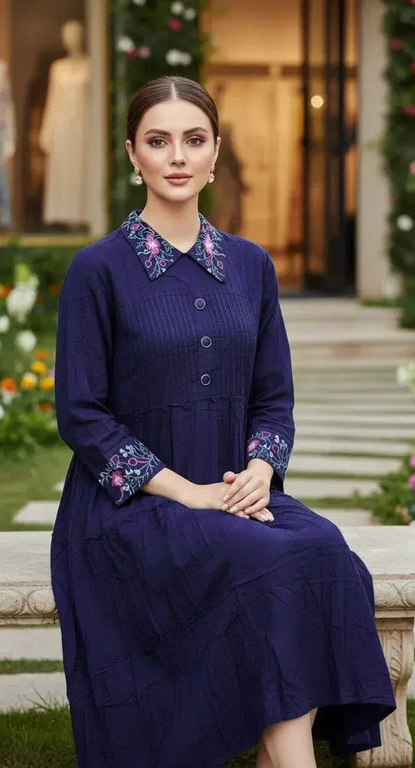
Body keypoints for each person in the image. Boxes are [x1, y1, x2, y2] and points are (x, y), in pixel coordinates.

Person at [52, 76, 396, 768]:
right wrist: (191, 492)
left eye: (193, 139)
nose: (176, 156)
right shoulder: (98, 272)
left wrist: (262, 472)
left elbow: (275, 399)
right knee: (277, 562)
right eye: (158, 141)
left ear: (215, 153)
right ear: (132, 155)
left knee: (325, 551)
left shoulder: (250, 266)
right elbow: (81, 415)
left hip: (236, 493)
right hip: (130, 510)